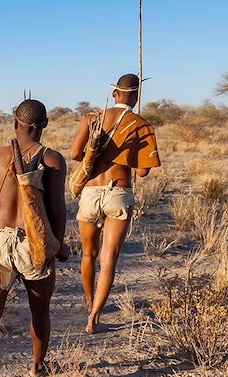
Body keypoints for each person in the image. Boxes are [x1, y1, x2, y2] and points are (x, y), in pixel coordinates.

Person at [0, 99, 68, 377]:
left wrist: (0, 230)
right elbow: (56, 210)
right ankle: (38, 367)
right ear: (44, 125)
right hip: (34, 244)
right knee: (39, 311)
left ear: (14, 122)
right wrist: (56, 245)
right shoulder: (52, 159)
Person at [70, 74, 161, 333]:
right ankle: (94, 317)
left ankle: (89, 301)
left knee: (88, 253)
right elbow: (142, 171)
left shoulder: (92, 118)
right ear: (136, 96)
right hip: (119, 193)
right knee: (109, 258)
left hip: (90, 191)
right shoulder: (141, 125)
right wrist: (128, 150)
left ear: (114, 94)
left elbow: (76, 154)